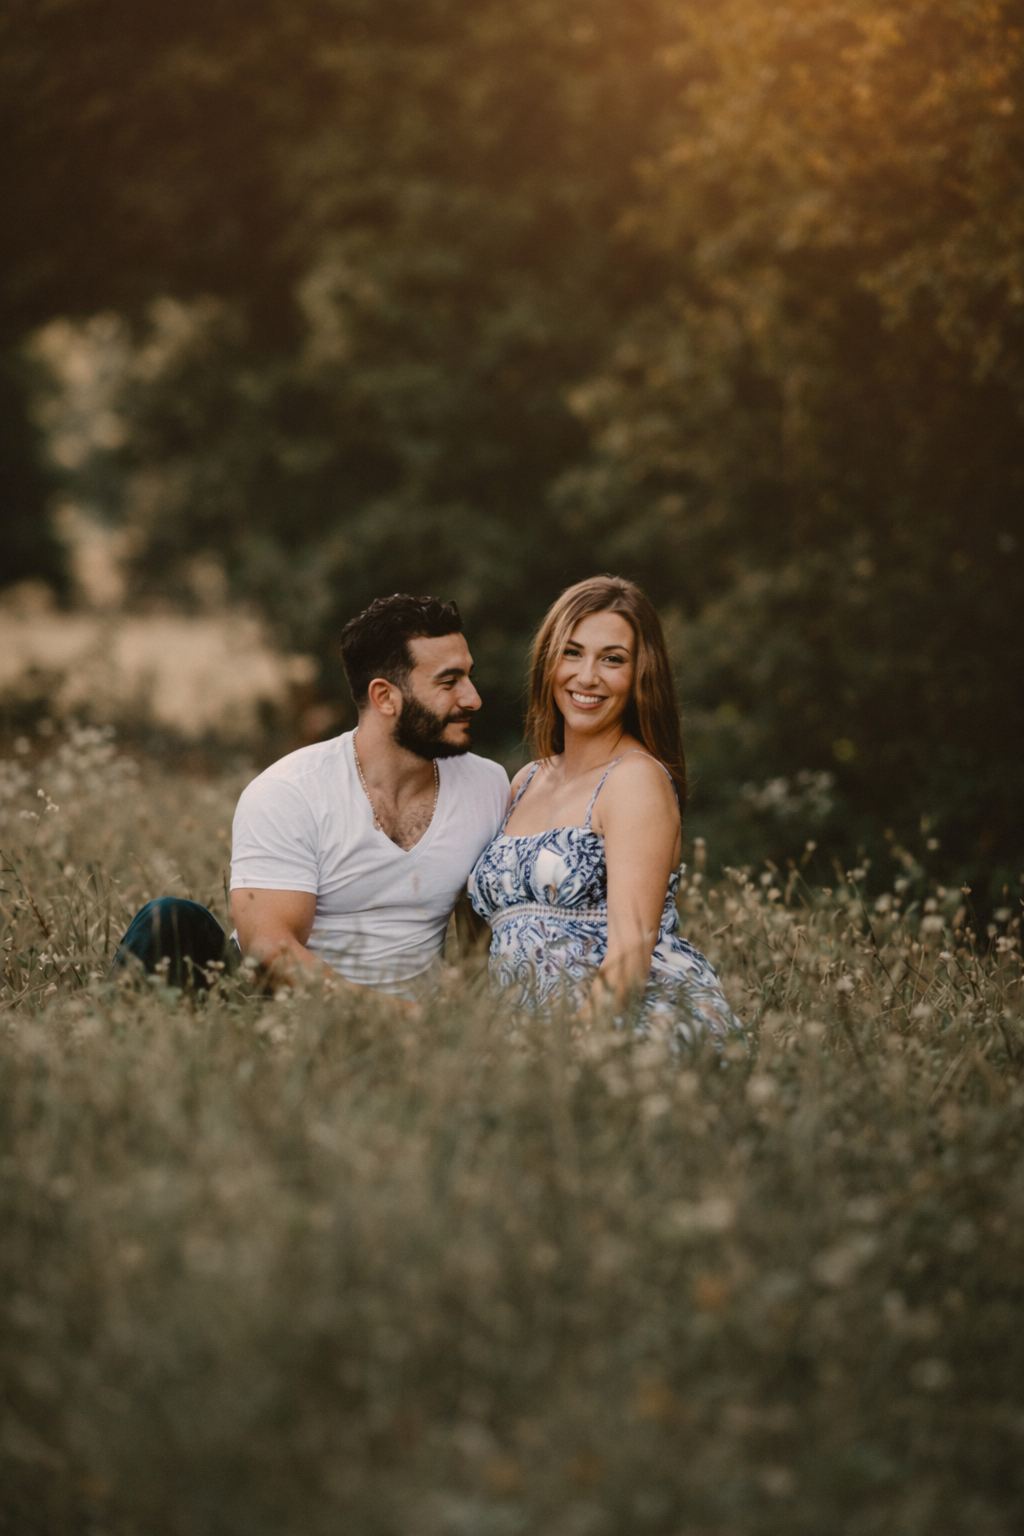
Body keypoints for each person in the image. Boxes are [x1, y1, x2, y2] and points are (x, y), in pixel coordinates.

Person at [113, 595, 509, 1001]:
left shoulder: (488, 786)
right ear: (385, 697)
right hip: (276, 1015)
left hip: (413, 1036)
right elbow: (267, 949)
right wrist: (394, 1019)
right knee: (170, 920)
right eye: (449, 682)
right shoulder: (289, 792)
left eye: (468, 676)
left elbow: (487, 945)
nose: (473, 698)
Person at [467, 575, 740, 1039]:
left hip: (624, 1032)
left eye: (612, 659)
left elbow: (632, 948)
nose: (587, 675)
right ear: (548, 660)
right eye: (572, 653)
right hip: (525, 1037)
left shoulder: (635, 780)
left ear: (639, 675)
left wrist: (575, 1058)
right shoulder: (526, 780)